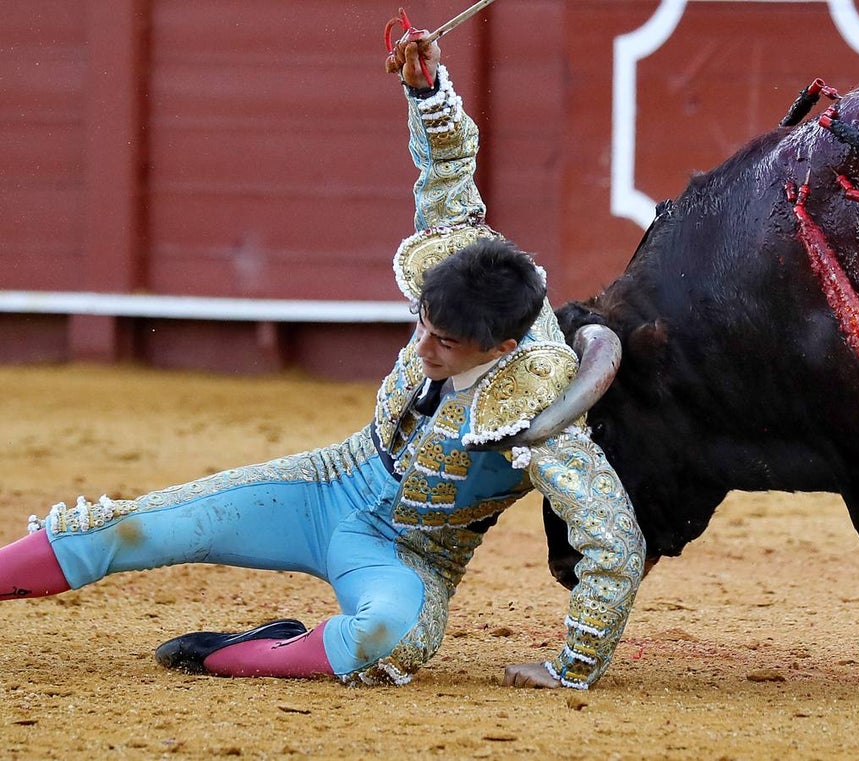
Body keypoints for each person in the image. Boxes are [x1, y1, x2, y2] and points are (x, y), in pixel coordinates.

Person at [0, 29, 645, 691]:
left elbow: (614, 541)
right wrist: (424, 88)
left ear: (503, 348)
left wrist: (574, 667)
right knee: (135, 527)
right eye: (421, 325)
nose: (421, 350)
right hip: (328, 483)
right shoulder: (462, 258)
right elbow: (450, 176)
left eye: (444, 344)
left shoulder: (544, 409)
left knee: (391, 639)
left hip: (405, 554)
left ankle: (234, 655)